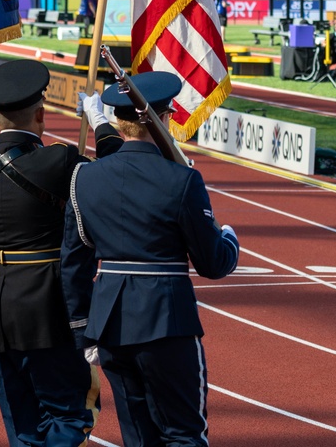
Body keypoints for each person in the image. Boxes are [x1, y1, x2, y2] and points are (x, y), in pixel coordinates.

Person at [61, 71, 240, 447]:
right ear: (167, 116)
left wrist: (82, 328)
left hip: (108, 324)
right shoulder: (182, 180)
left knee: (138, 437)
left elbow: (74, 261)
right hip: (165, 321)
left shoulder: (85, 178)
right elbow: (212, 263)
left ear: (117, 122)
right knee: (184, 434)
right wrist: (228, 240)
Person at [0, 60, 122, 447]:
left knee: (22, 425)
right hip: (46, 310)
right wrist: (100, 123)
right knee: (69, 415)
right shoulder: (60, 161)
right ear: (42, 113)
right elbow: (117, 174)